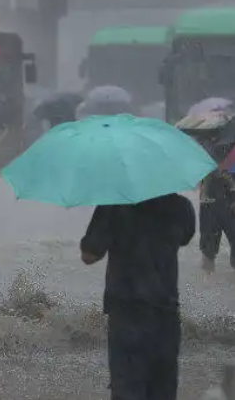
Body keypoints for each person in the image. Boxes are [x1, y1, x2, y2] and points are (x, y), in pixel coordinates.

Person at [80, 193, 195, 400]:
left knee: (127, 391)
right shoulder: (181, 205)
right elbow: (186, 237)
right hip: (166, 317)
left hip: (127, 316)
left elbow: (89, 254)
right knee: (163, 391)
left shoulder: (114, 205)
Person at [197, 140, 235, 273]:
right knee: (209, 234)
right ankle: (208, 264)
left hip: (222, 194)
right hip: (213, 195)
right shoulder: (205, 146)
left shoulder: (204, 143)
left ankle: (208, 265)